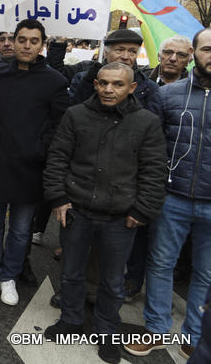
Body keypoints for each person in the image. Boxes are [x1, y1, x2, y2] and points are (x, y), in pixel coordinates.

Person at [43, 63, 167, 364]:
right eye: (103, 83)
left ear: (132, 88)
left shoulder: (147, 123)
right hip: (77, 211)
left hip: (120, 217)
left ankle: (106, 330)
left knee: (112, 281)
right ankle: (71, 320)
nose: (109, 90)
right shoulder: (76, 115)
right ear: (95, 84)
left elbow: (154, 171)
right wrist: (59, 199)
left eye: (117, 85)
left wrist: (142, 210)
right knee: (72, 272)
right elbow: (58, 158)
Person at [0, 19, 69, 307]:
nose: (25, 45)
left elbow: (60, 126)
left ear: (41, 45)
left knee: (21, 230)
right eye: (21, 39)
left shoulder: (55, 81)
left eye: (33, 41)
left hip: (29, 170)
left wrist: (39, 150)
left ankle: (9, 276)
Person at [124, 28, 211, 360]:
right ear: (196, 52)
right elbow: (151, 150)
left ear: (186, 56)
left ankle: (194, 335)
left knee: (206, 272)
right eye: (206, 49)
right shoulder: (168, 95)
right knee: (160, 264)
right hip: (172, 198)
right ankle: (156, 329)